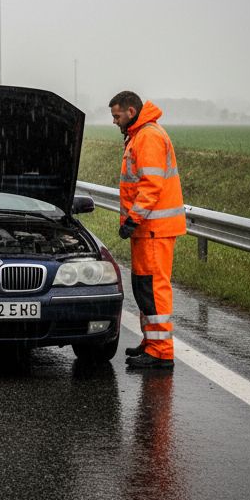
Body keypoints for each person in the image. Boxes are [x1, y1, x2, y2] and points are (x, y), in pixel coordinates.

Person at [110, 91, 186, 370]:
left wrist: (133, 219)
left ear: (131, 111)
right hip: (148, 229)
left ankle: (161, 351)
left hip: (154, 228)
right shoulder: (139, 135)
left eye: (117, 116)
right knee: (144, 288)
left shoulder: (149, 137)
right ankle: (151, 342)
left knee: (153, 290)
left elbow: (151, 185)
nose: (114, 121)